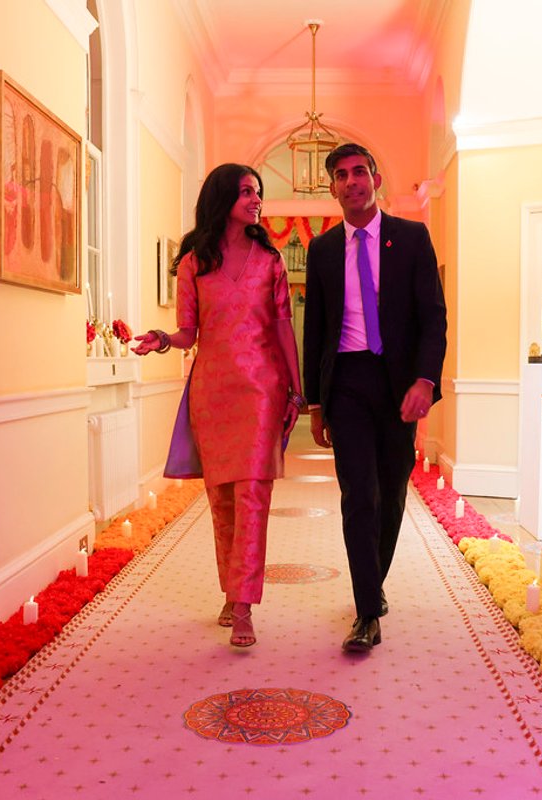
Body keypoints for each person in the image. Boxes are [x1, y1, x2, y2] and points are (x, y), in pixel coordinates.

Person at [133, 163, 304, 648]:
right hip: (212, 390)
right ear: (223, 196)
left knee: (253, 496)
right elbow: (190, 332)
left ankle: (245, 604)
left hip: (262, 391)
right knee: (223, 500)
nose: (256, 199)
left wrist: (295, 390)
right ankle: (232, 590)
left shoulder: (271, 261)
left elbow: (282, 329)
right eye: (247, 191)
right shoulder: (195, 262)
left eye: (258, 192)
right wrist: (163, 339)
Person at [302, 142, 447, 653]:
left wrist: (425, 382)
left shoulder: (409, 238)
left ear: (375, 178)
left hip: (398, 385)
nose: (350, 182)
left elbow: (433, 317)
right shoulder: (322, 250)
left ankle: (373, 583)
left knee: (390, 494)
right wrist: (316, 403)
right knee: (357, 496)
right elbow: (314, 328)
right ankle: (367, 610)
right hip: (346, 383)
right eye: (340, 176)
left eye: (358, 172)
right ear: (333, 187)